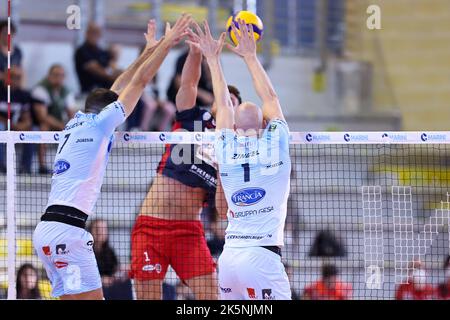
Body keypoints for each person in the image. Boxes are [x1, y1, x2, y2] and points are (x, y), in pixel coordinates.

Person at [32, 15, 192, 300]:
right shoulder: (100, 125)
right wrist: (167, 43)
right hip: (68, 233)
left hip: (46, 232)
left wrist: (147, 51)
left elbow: (117, 88)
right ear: (108, 112)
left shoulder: (76, 121)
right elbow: (139, 82)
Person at [187, 19, 292, 300]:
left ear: (234, 128)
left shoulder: (225, 146)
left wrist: (212, 57)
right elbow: (269, 95)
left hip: (230, 258)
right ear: (264, 126)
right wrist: (250, 57)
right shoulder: (276, 143)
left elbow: (222, 103)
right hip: (262, 256)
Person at [129, 40, 242, 300]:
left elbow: (224, 211)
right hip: (151, 227)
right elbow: (188, 84)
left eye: (234, 102)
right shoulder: (194, 118)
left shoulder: (232, 150)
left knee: (212, 298)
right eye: (226, 99)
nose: (229, 103)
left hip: (187, 233)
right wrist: (195, 53)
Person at [32, 64, 77, 174]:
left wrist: (72, 127)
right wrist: (62, 126)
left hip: (58, 123)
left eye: (61, 75)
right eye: (56, 75)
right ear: (49, 76)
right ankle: (42, 166)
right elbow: (42, 117)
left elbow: (72, 114)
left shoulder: (66, 91)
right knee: (44, 128)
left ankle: (71, 165)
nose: (58, 78)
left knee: (75, 131)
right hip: (38, 123)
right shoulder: (40, 89)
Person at [0, 66, 43, 174]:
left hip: (16, 127)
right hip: (3, 126)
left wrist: (23, 125)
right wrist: (11, 125)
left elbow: (27, 118)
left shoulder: (24, 95)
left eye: (18, 77)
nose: (15, 80)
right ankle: (1, 166)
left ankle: (25, 168)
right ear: (5, 77)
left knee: (33, 130)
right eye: (12, 76)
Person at [88, 219, 133, 300]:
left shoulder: (109, 251)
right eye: (97, 229)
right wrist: (101, 280)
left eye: (103, 229)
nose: (100, 232)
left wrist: (123, 269)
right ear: (91, 231)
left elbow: (114, 269)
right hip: (93, 289)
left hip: (110, 289)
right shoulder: (85, 252)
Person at [75, 22, 121, 94]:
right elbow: (95, 69)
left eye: (96, 32)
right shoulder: (82, 51)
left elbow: (113, 66)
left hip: (105, 92)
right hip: (90, 92)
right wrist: (115, 76)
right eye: (92, 32)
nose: (94, 35)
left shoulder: (102, 52)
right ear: (86, 33)